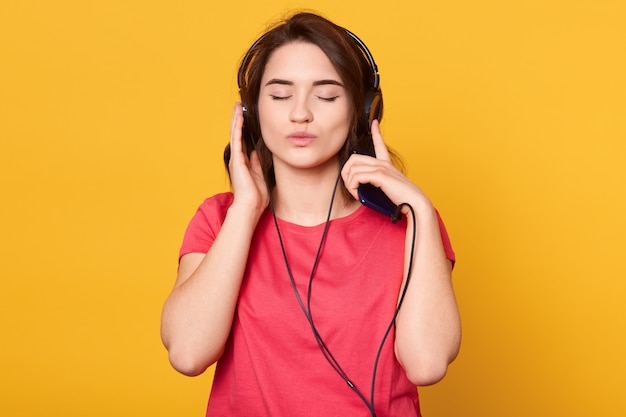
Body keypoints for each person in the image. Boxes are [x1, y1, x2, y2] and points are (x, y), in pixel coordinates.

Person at [160, 11, 461, 417]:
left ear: (363, 111)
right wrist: (246, 210)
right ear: (250, 114)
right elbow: (187, 352)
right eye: (280, 95)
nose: (300, 114)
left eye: (327, 96)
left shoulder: (409, 224)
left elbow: (427, 363)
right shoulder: (220, 219)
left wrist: (420, 208)